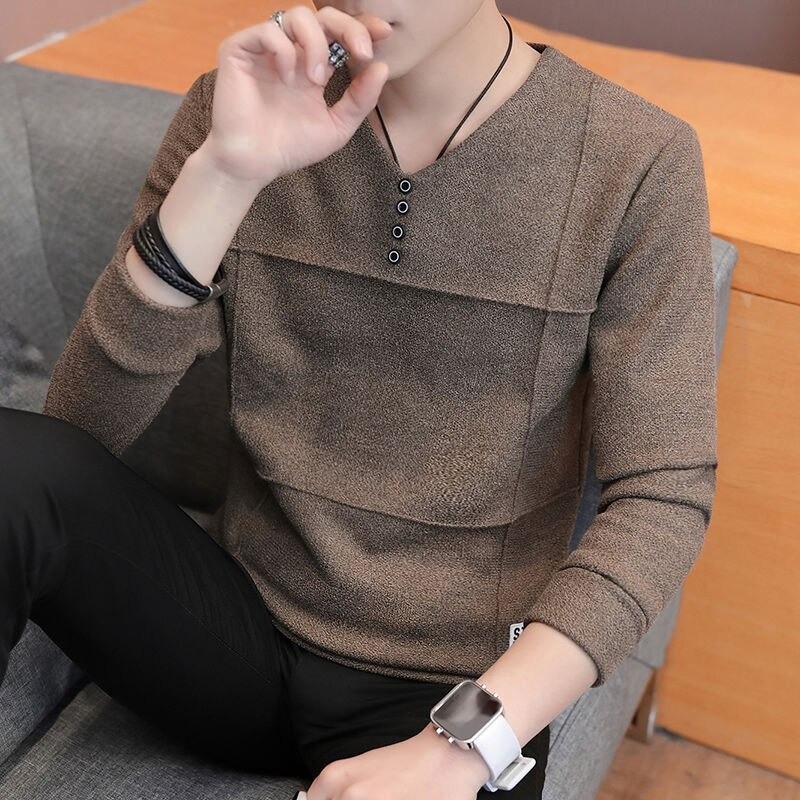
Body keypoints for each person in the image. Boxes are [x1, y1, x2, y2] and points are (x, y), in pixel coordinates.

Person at [0, 2, 718, 799]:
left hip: (446, 685)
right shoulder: (236, 107)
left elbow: (661, 498)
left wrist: (464, 744)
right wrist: (227, 173)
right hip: (233, 628)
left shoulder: (636, 160)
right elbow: (77, 435)